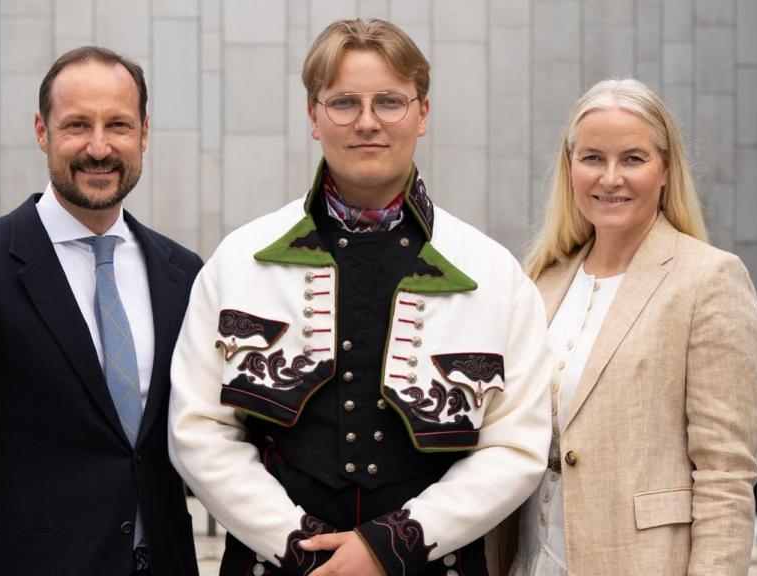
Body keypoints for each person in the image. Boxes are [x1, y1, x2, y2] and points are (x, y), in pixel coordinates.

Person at [167, 18, 553, 576]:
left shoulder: (493, 272)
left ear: (423, 114)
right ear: (313, 115)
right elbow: (198, 427)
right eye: (344, 102)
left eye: (390, 102)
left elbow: (515, 446)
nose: (367, 122)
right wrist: (295, 542)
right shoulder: (241, 259)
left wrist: (390, 546)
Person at [0, 46, 203, 576]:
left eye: (118, 125)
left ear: (144, 133)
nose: (99, 147)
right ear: (42, 132)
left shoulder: (182, 272)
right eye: (76, 125)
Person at [502, 78, 757, 575]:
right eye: (593, 158)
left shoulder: (710, 279)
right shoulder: (542, 280)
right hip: (528, 560)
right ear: (570, 165)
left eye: (634, 159)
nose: (610, 178)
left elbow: (725, 475)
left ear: (665, 169)